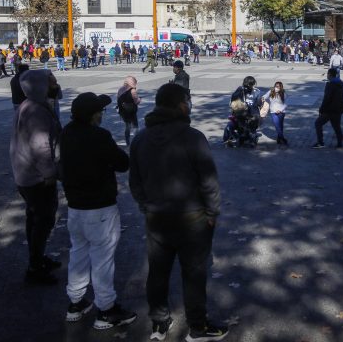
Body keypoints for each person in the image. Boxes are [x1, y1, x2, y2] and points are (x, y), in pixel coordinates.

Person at [129, 83, 228, 342]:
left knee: (158, 272)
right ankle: (197, 327)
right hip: (192, 217)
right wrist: (213, 212)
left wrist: (145, 205)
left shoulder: (141, 138)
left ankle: (159, 323)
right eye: (188, 100)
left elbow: (135, 180)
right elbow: (208, 180)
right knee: (194, 274)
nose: (190, 104)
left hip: (157, 217)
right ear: (181, 104)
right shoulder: (192, 136)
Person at [60, 92, 136, 328]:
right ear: (93, 115)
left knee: (79, 254)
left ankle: (76, 301)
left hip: (75, 205)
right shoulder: (99, 135)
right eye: (100, 112)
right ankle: (106, 309)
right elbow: (123, 163)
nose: (102, 115)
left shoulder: (66, 133)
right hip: (99, 206)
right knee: (102, 259)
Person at [10, 70, 63, 284]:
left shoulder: (29, 106)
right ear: (40, 86)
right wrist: (50, 173)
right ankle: (35, 268)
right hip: (37, 178)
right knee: (43, 220)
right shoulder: (37, 112)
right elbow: (41, 146)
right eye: (51, 82)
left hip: (25, 174)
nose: (56, 84)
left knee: (34, 218)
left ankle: (38, 258)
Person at [312, 67, 343, 148]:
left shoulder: (330, 84)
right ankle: (340, 143)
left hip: (329, 110)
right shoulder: (340, 83)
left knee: (318, 123)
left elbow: (327, 98)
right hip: (338, 110)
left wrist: (321, 108)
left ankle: (320, 142)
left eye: (327, 74)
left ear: (330, 74)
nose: (327, 75)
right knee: (337, 127)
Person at [117, 76, 141, 145]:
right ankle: (136, 142)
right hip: (132, 111)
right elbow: (136, 101)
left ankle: (127, 141)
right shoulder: (133, 90)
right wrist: (140, 99)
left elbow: (118, 99)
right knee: (135, 126)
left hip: (123, 111)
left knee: (127, 126)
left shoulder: (121, 89)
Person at [266, 81, 288, 145]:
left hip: (282, 112)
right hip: (273, 112)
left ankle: (279, 139)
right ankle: (282, 138)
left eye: (278, 86)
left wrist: (281, 110)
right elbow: (265, 96)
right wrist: (263, 98)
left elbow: (286, 103)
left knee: (280, 126)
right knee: (277, 126)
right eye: (276, 86)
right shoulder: (271, 91)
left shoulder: (284, 93)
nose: (277, 88)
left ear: (281, 87)